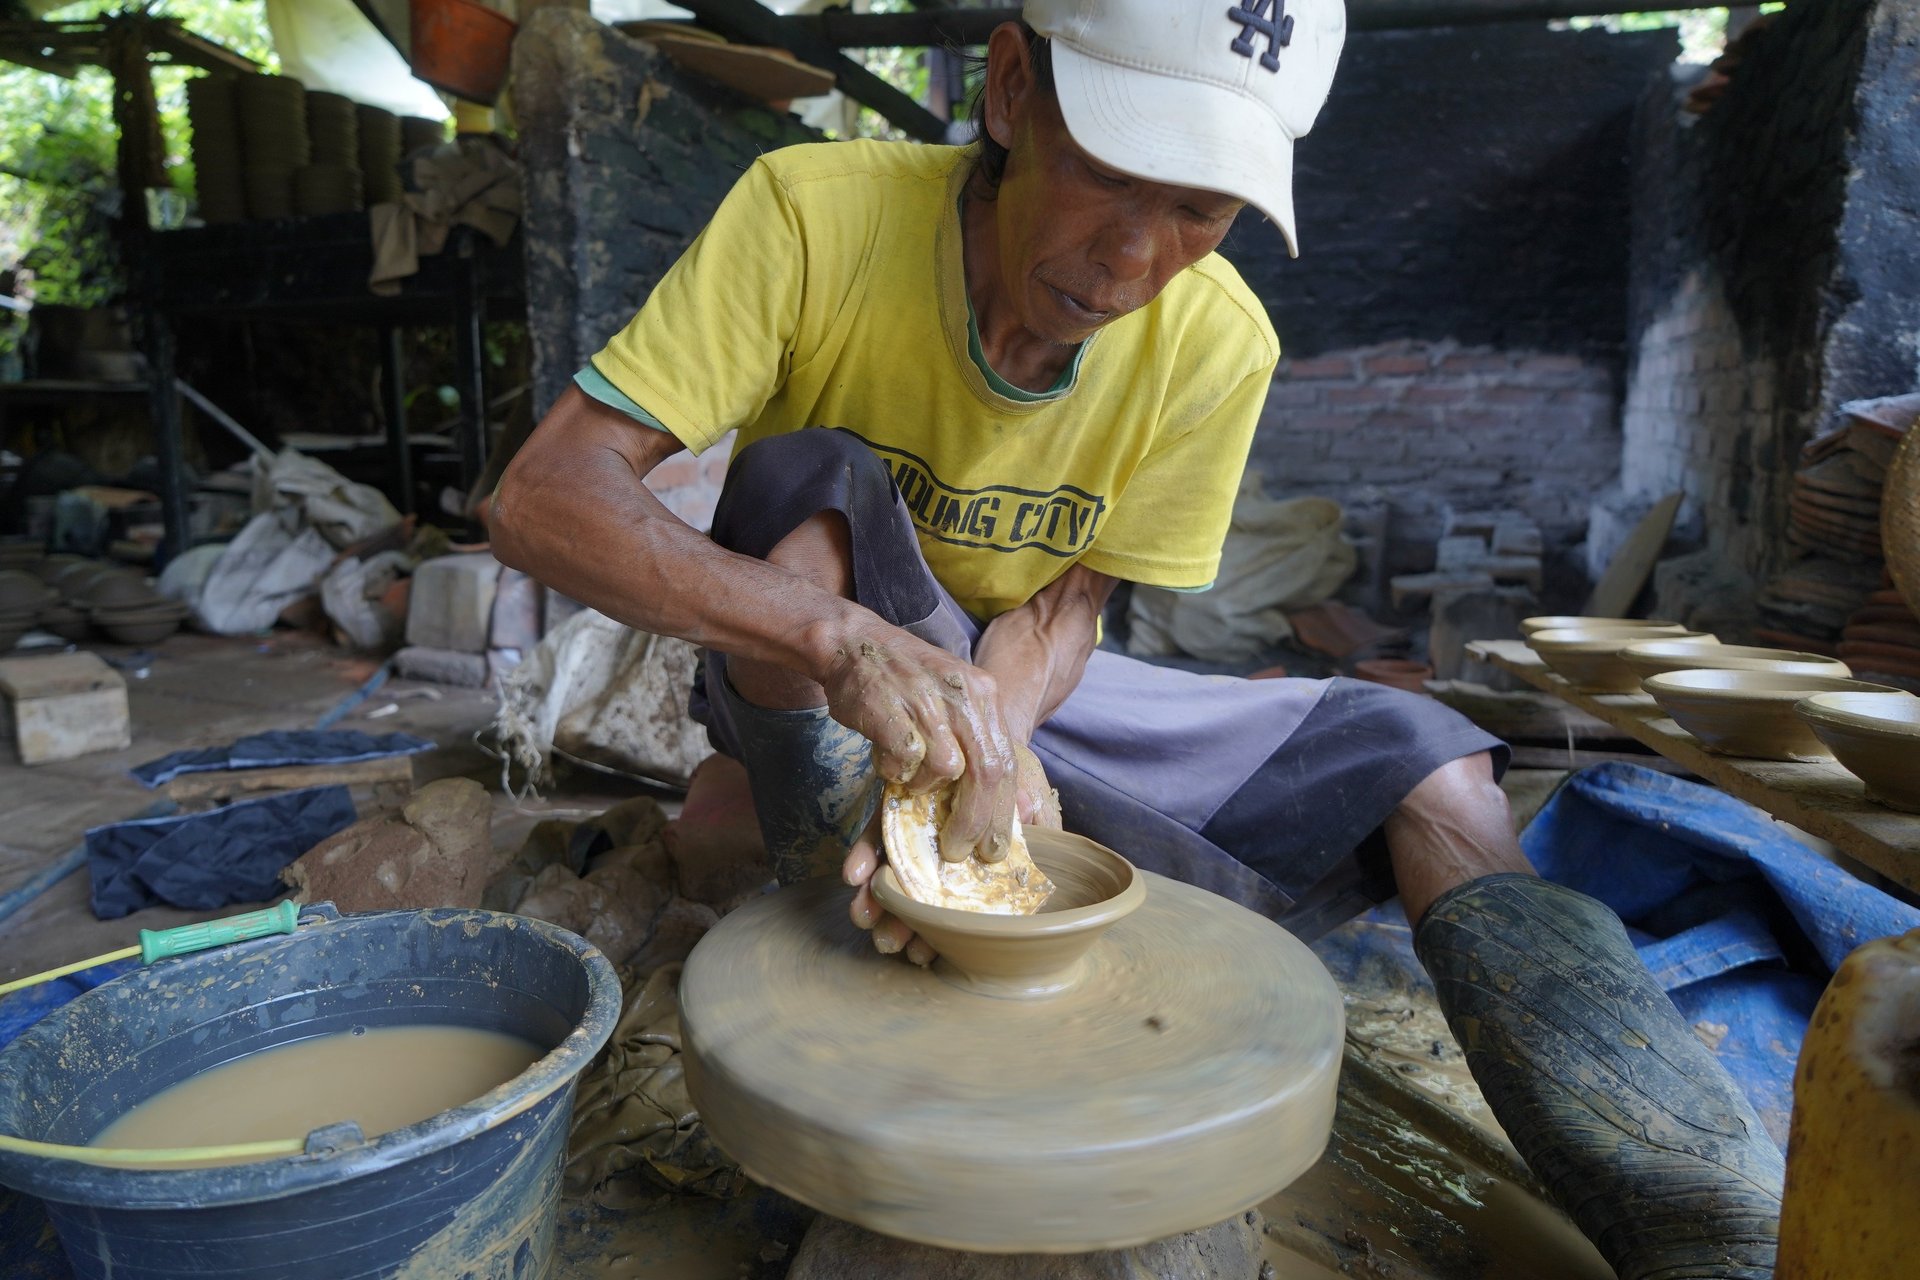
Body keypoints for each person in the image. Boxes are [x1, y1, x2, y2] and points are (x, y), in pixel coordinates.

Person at [492, 2, 1782, 1275]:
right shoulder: (812, 216)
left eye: (1199, 212)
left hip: (1007, 670)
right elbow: (544, 497)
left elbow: (1065, 611)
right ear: (1009, 89)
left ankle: (1686, 1206)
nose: (1132, 257)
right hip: (813, 654)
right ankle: (853, 894)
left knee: (1429, 754)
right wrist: (845, 646)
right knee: (813, 487)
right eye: (1110, 174)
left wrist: (994, 733)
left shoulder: (1216, 341)